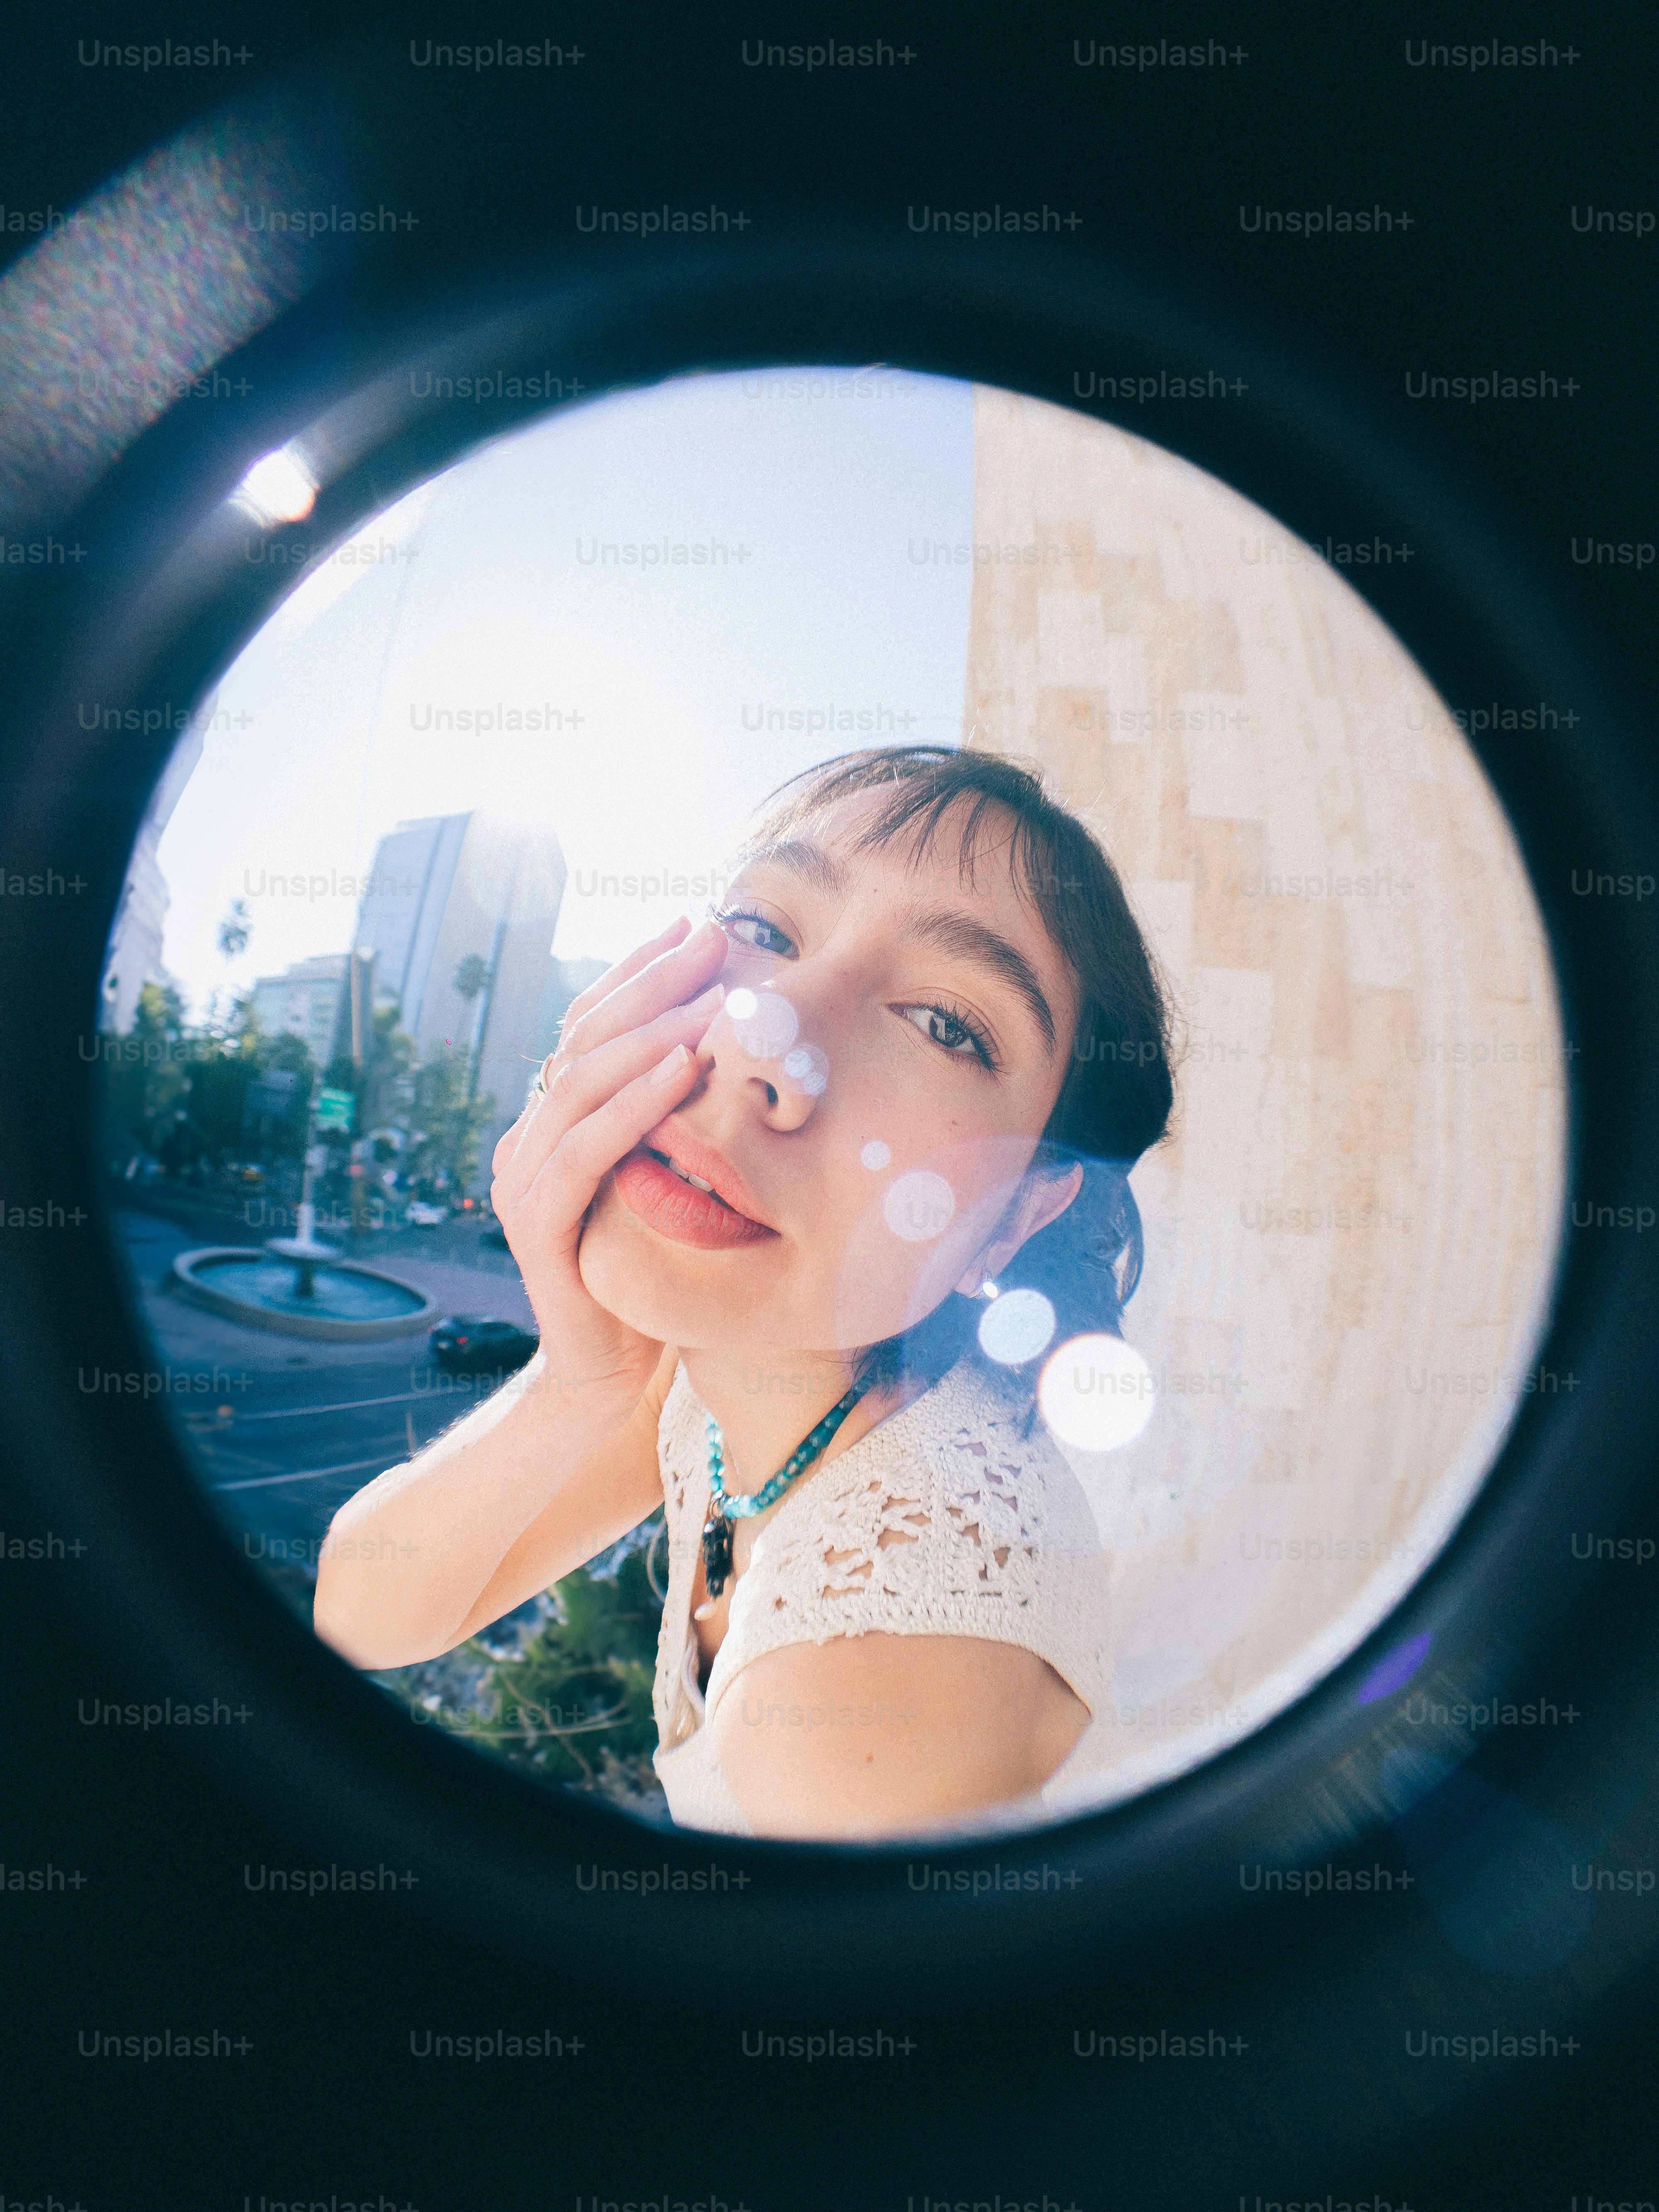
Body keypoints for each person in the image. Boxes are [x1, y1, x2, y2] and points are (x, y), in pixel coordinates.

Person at [313, 745, 1174, 1840]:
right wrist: (577, 1383)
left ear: (1011, 1218)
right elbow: (363, 1615)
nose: (764, 1037)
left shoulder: (864, 1692)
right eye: (764, 931)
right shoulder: (734, 1363)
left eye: (946, 1025)